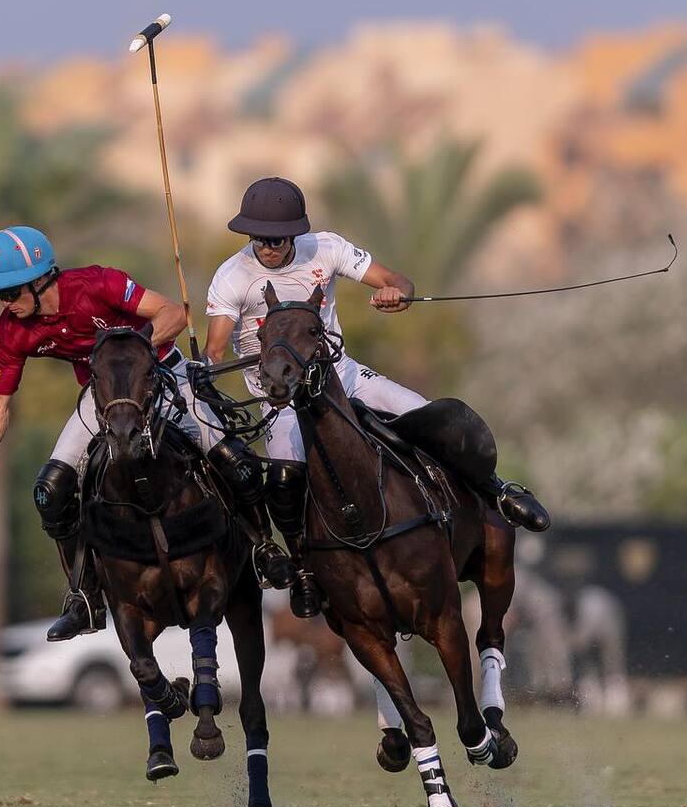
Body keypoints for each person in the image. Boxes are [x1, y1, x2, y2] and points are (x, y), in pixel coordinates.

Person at [200, 177, 549, 619]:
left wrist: (395, 293)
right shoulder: (233, 276)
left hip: (342, 377)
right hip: (280, 398)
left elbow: (395, 278)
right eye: (257, 238)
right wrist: (208, 371)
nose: (266, 248)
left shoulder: (325, 248)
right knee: (285, 477)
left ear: (295, 234)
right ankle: (303, 568)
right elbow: (215, 349)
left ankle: (499, 492)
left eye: (276, 239)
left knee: (429, 414)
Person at [0, 225, 295, 642]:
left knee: (233, 459)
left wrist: (134, 353)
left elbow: (173, 313)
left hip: (161, 373)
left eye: (10, 293)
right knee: (50, 489)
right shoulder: (12, 329)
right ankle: (84, 597)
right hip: (102, 397)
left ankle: (264, 547)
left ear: (40, 279)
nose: (5, 304)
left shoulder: (98, 284)